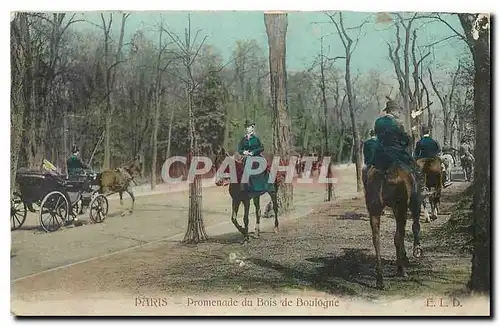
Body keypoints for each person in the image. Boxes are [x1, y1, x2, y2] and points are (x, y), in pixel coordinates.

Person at [372, 99, 425, 193]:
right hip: (396, 154)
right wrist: (410, 138)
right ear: (392, 111)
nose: (399, 113)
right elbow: (404, 139)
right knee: (415, 168)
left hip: (379, 154)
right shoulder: (397, 123)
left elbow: (377, 136)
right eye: (398, 111)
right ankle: (420, 190)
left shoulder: (378, 122)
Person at [236, 120, 269, 193]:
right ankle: (243, 185)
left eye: (248, 127)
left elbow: (261, 148)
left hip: (256, 156)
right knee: (239, 167)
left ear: (252, 128)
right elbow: (239, 149)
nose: (247, 128)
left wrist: (253, 152)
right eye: (246, 127)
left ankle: (259, 186)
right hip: (245, 157)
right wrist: (244, 152)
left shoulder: (256, 138)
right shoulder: (243, 139)